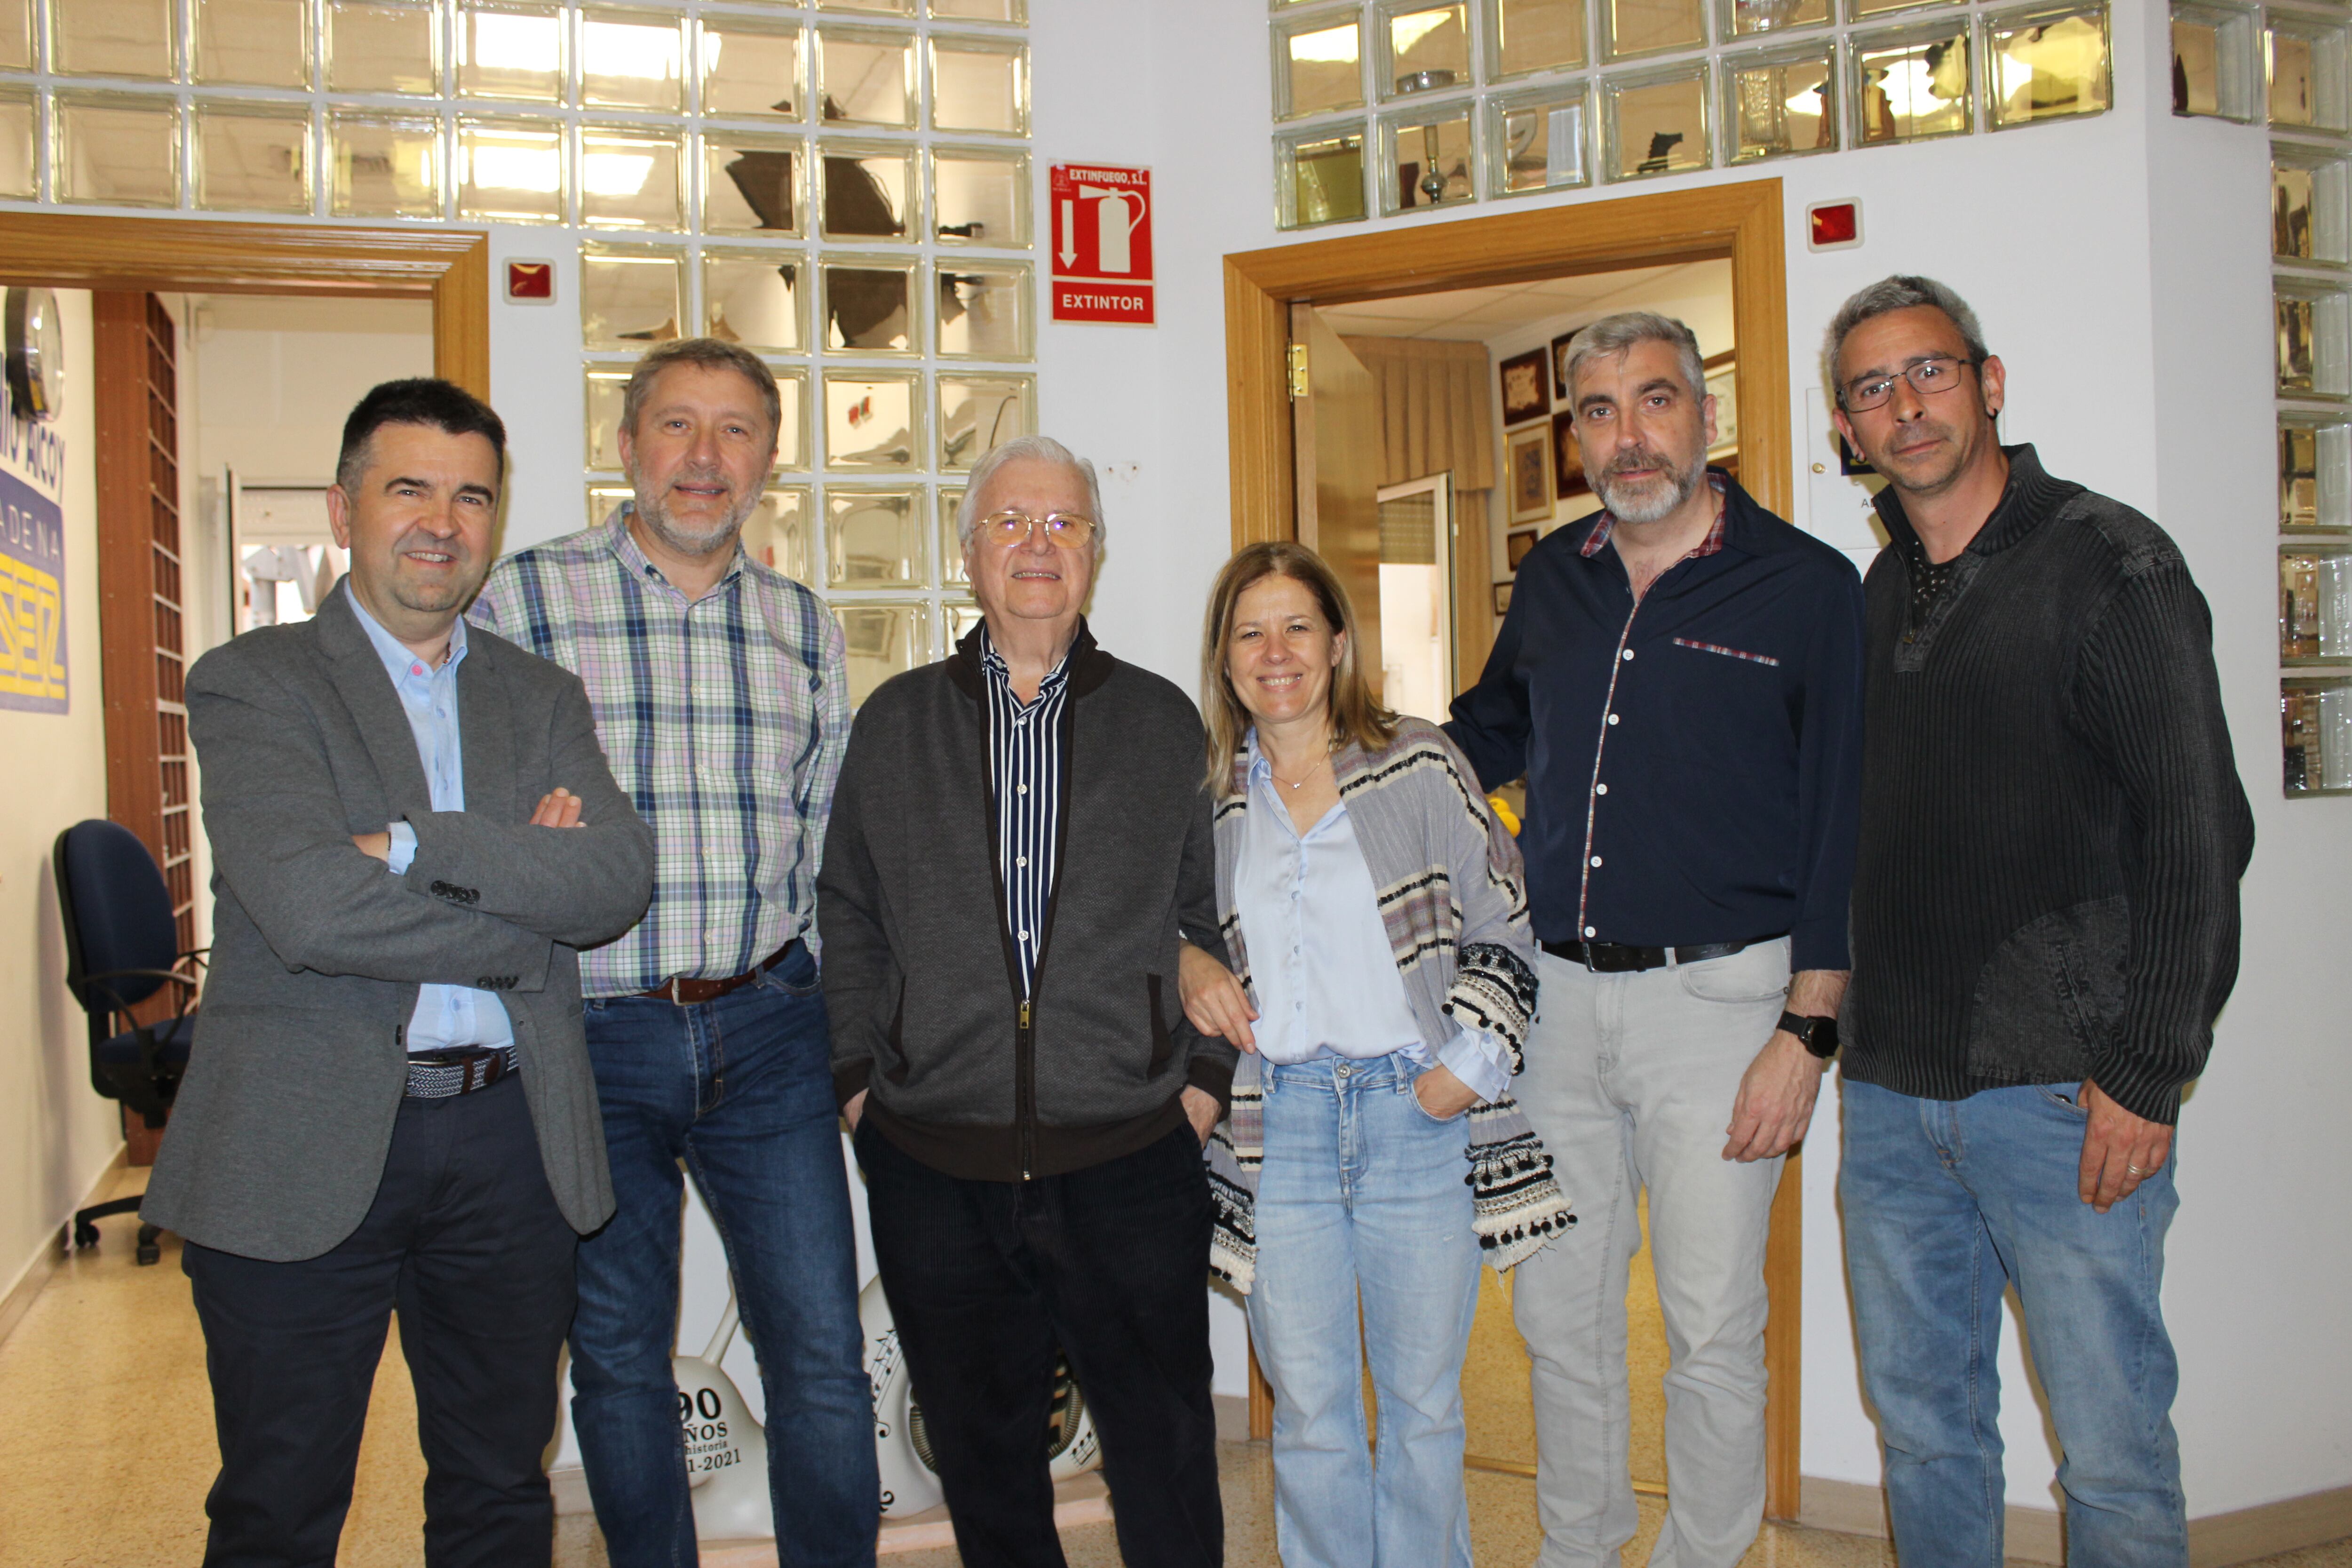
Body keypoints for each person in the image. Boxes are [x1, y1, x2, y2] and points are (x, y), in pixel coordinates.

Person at [143, 379, 656, 1567]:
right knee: (279, 1499)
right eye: (409, 487)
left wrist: (422, 847)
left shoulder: (539, 695)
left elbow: (616, 879)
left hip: (509, 1146)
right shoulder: (254, 679)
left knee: (497, 1490)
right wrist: (525, 902)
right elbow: (312, 908)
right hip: (299, 1134)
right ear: (344, 506)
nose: (443, 520)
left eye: (472, 495)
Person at [1825, 275, 2252, 1568]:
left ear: (1991, 381)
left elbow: (2199, 832)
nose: (1906, 406)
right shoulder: (1879, 588)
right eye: (1871, 388)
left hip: (2070, 1096)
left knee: (2112, 1452)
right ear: (1846, 429)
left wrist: (2148, 1068)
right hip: (1896, 1096)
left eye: (1930, 372)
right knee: (1926, 1428)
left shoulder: (2113, 564)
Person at [1446, 310, 1866, 1568]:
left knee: (1710, 1318)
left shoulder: (1804, 586)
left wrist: (1809, 1026)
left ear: (1707, 414)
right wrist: (1345, 781)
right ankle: (1577, 1547)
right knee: (1562, 1314)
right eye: (1600, 409)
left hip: (1725, 1009)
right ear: (1575, 433)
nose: (1630, 434)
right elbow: (1485, 735)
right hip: (1559, 1007)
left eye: (1657, 400)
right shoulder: (1555, 577)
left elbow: (1844, 814)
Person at [469, 339, 873, 1568]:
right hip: (591, 1029)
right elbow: (466, 807)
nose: (705, 458)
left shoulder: (803, 626)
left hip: (766, 1027)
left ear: (770, 457)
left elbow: (821, 839)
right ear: (628, 441)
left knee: (819, 1350)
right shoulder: (522, 601)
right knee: (620, 1355)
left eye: (738, 429)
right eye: (678, 426)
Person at [818, 435, 1231, 1568]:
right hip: (935, 1160)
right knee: (985, 1459)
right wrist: (860, 1083)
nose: (1037, 545)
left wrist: (1198, 1085)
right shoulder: (894, 722)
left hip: (1130, 1151)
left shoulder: (1161, 724)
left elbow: (1209, 918)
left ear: (1095, 553)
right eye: (1010, 523)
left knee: (1165, 1452)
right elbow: (844, 911)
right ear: (967, 555)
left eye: (1063, 524)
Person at [1178, 541, 1570, 1568]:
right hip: (1279, 1125)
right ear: (1224, 660)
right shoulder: (1206, 791)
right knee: (1307, 1410)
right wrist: (1183, 955)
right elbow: (1160, 922)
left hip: (1414, 1111)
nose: (1276, 652)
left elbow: (1505, 918)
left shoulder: (1420, 759)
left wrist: (1470, 1063)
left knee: (1423, 1407)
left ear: (1339, 642)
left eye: (1297, 626)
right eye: (1250, 632)